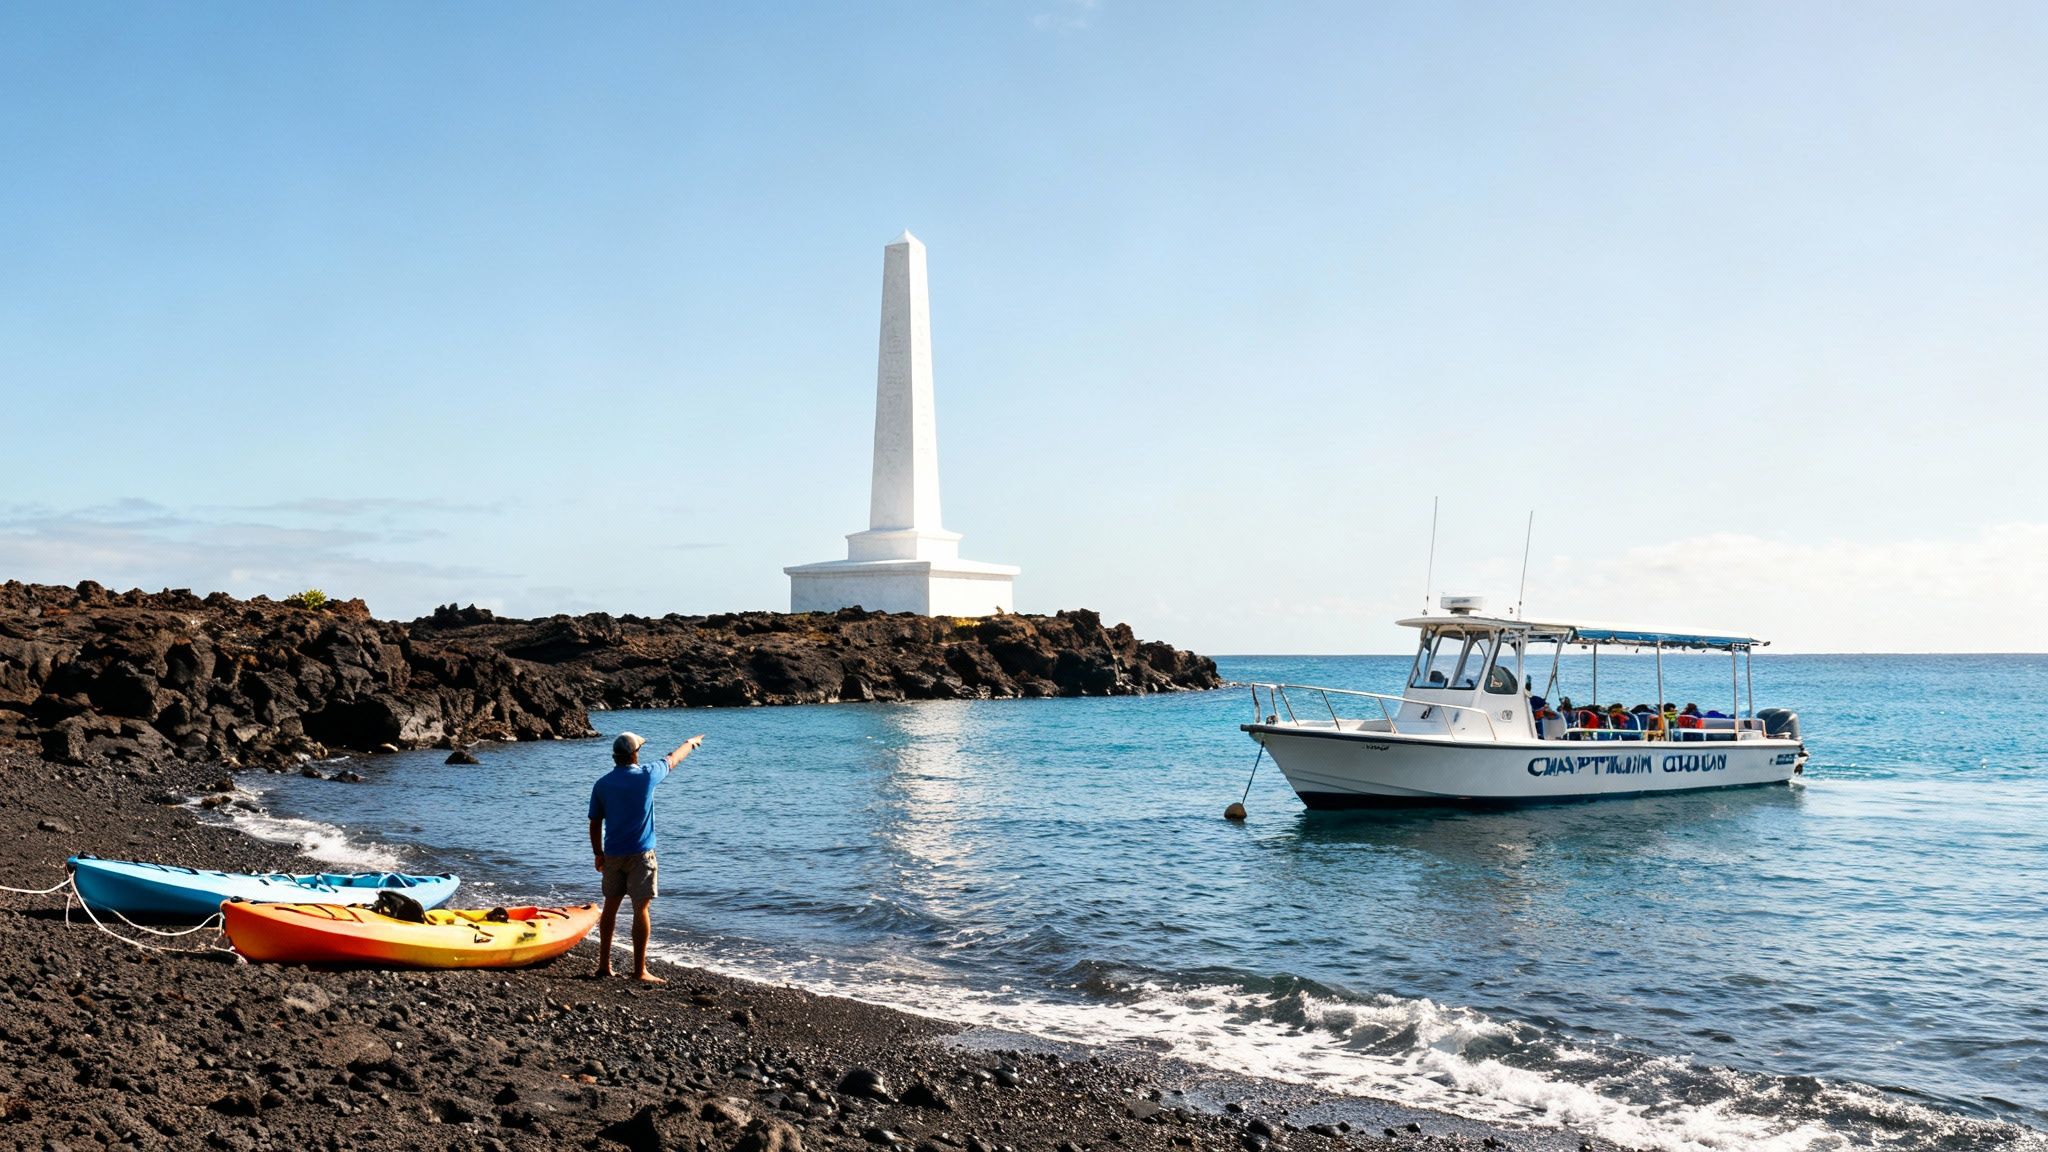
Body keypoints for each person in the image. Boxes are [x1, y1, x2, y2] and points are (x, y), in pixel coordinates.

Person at [588, 731, 704, 982]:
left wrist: (598, 854)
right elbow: (673, 759)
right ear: (634, 754)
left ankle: (603, 965)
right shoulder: (646, 775)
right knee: (641, 909)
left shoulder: (602, 784)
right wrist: (690, 743)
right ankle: (639, 970)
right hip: (641, 855)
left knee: (610, 907)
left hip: (612, 855)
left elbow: (595, 822)